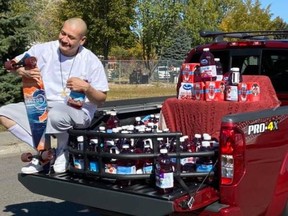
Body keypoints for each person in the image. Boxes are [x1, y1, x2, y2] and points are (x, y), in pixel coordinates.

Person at [0, 17, 109, 174]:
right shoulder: (43, 50)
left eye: (71, 37)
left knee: (55, 114)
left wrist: (86, 88)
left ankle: (63, 150)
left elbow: (101, 99)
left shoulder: (91, 60)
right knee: (4, 113)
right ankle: (45, 153)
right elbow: (12, 64)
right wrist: (22, 71)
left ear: (82, 40)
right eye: (62, 33)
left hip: (78, 111)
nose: (64, 39)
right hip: (43, 105)